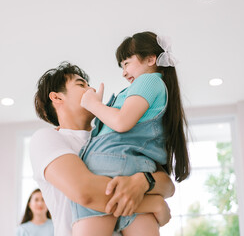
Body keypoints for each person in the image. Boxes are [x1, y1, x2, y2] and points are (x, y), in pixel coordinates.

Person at [30, 62, 175, 236]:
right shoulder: (47, 139)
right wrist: (154, 203)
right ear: (57, 98)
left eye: (89, 85)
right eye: (81, 84)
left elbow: (167, 185)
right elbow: (86, 192)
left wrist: (142, 181)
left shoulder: (109, 135)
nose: (91, 90)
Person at [71, 31, 191, 235]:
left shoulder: (149, 81)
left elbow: (121, 122)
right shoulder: (156, 88)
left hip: (107, 168)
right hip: (135, 172)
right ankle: (151, 203)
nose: (124, 72)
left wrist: (93, 104)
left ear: (151, 59)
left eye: (126, 63)